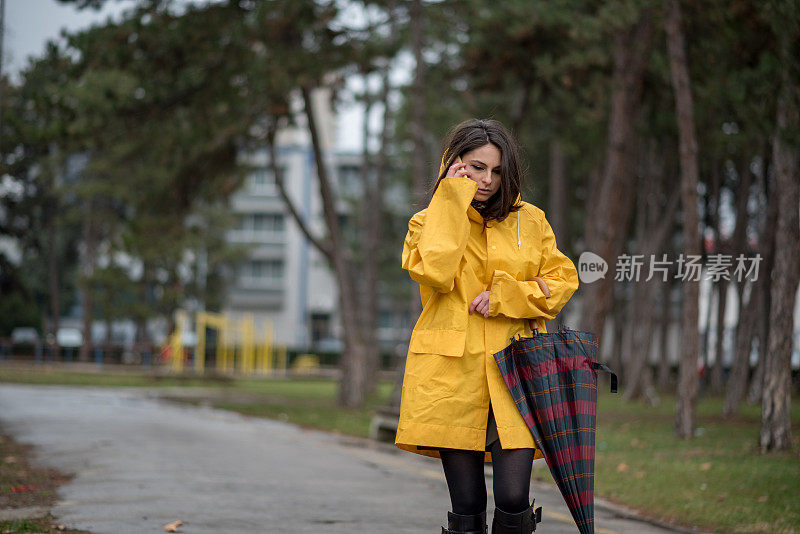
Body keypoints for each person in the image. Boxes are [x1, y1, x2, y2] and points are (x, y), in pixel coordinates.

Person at [395, 118, 580, 534]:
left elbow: (563, 278)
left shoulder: (529, 220)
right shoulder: (425, 223)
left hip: (516, 372)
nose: (487, 180)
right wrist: (451, 197)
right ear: (453, 163)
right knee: (468, 500)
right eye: (476, 167)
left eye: (496, 171)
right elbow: (437, 272)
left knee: (513, 496)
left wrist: (508, 297)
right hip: (452, 375)